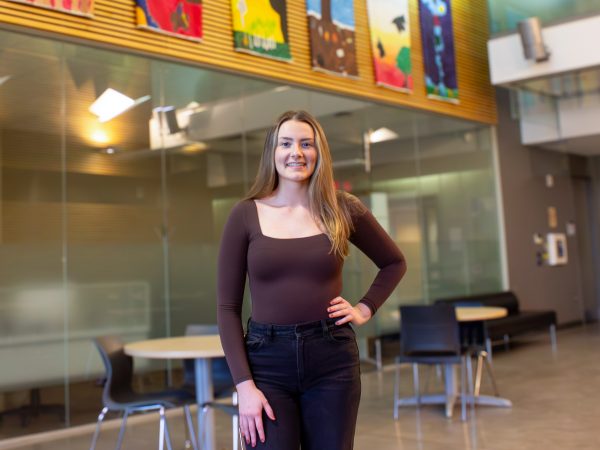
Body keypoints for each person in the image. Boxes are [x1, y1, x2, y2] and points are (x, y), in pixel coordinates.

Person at [217, 110, 406, 449]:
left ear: (319, 153)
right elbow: (227, 308)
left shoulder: (342, 208)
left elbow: (394, 262)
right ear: (272, 153)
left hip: (331, 358)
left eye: (307, 144)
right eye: (286, 143)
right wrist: (244, 386)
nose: (297, 152)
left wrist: (365, 308)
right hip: (267, 364)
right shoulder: (245, 214)